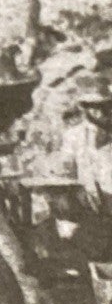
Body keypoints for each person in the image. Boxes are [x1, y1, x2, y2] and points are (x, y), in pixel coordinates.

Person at [60, 76, 112, 215]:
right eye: (91, 105)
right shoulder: (73, 134)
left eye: (103, 106)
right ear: (84, 108)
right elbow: (67, 166)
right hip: (89, 196)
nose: (98, 110)